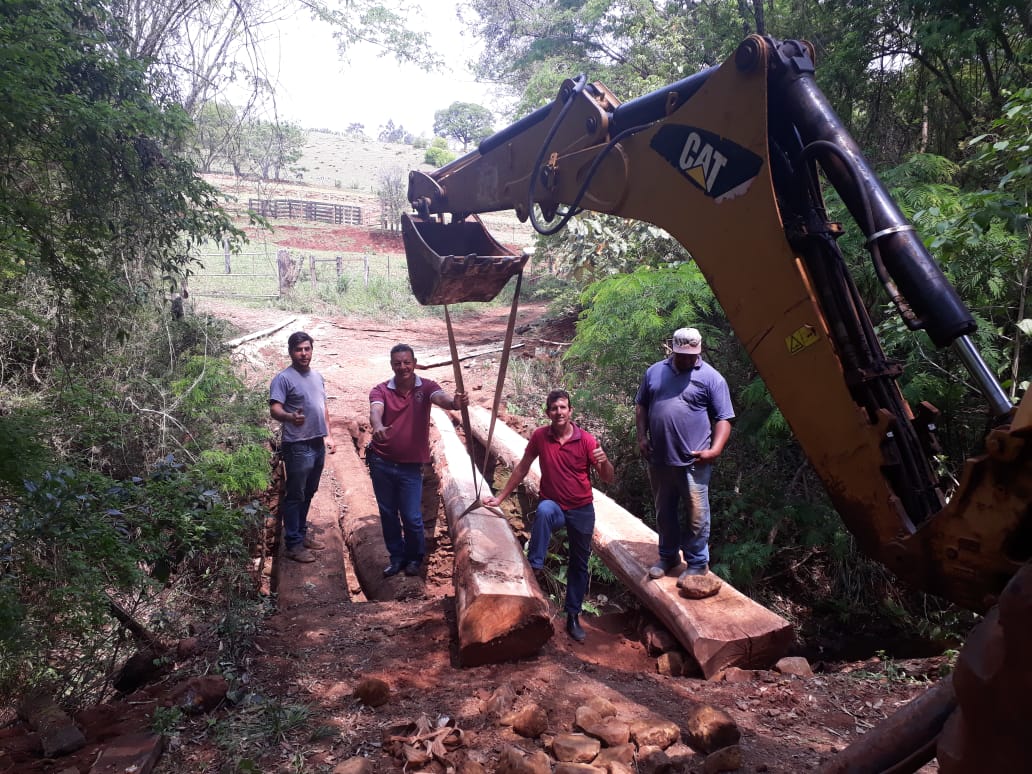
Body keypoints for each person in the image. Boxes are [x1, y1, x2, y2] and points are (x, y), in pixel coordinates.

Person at [482, 389, 614, 643]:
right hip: (553, 505)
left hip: (581, 508)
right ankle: (536, 567)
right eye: (554, 408)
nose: (559, 412)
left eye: (563, 407)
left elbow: (608, 478)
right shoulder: (541, 437)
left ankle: (573, 616)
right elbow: (522, 467)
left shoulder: (586, 441)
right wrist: (500, 498)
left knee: (579, 563)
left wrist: (604, 461)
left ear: (570, 411)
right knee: (543, 510)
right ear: (548, 413)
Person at [635, 327, 734, 586]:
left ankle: (698, 563)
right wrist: (642, 437)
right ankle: (668, 557)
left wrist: (715, 450)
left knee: (697, 514)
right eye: (683, 355)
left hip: (694, 461)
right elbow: (642, 405)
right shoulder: (654, 372)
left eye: (693, 355)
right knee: (664, 511)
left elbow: (724, 418)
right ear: (673, 349)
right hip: (660, 459)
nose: (689, 359)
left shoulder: (712, 378)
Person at [368, 344, 468, 578]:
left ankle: (414, 558)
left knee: (412, 517)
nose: (402, 367)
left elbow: (440, 397)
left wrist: (454, 403)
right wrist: (378, 426)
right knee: (388, 514)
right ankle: (396, 558)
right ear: (391, 365)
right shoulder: (380, 390)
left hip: (410, 466)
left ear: (414, 362)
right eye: (397, 363)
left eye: (406, 362)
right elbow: (375, 410)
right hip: (381, 462)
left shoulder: (427, 387)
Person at [269, 331, 336, 563]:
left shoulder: (317, 376)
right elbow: (274, 409)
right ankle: (293, 545)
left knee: (309, 491)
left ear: (312, 350)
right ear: (291, 352)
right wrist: (289, 417)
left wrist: (328, 435)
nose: (303, 353)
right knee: (295, 495)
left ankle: (301, 533)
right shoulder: (283, 378)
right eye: (299, 349)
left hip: (317, 442)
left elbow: (322, 406)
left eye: (307, 349)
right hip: (297, 445)